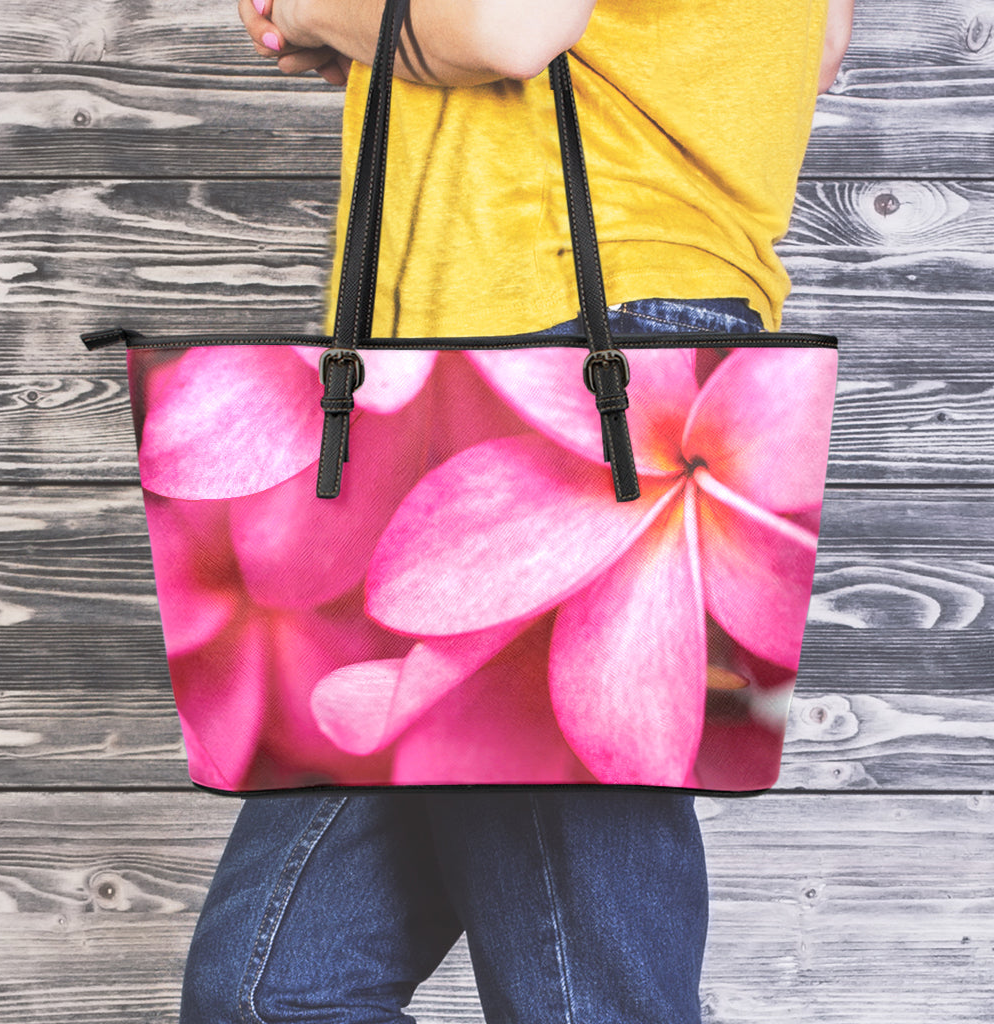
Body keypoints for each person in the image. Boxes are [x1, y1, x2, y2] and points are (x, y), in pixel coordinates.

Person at [179, 2, 854, 1021]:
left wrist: (316, 6)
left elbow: (504, 27)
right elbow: (805, 49)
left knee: (579, 1000)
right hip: (545, 347)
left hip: (563, 334)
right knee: (272, 995)